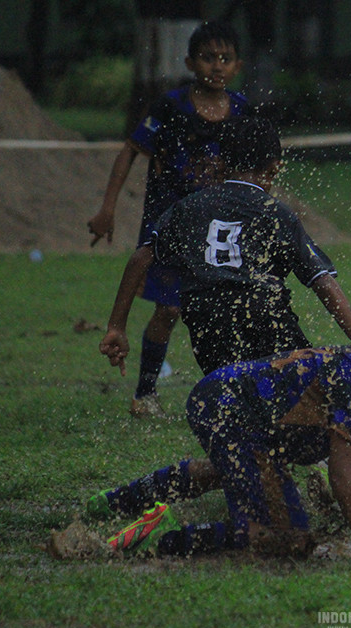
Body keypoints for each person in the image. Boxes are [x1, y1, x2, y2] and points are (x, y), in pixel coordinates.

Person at [97, 113, 351, 504]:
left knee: (253, 419)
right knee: (333, 396)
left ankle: (137, 496)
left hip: (209, 332)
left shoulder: (190, 206)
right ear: (275, 167)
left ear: (221, 163)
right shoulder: (275, 212)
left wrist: (116, 326)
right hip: (265, 321)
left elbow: (141, 258)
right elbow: (323, 283)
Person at [100, 318, 351, 561]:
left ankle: (116, 502)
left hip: (236, 411)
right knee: (290, 538)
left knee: (233, 472)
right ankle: (169, 533)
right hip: (229, 412)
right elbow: (340, 476)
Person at [87, 19, 248, 418]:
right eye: (208, 58)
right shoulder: (170, 106)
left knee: (224, 308)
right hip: (168, 222)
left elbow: (252, 166)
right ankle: (146, 394)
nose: (217, 66)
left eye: (225, 59)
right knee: (170, 309)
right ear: (191, 62)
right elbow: (130, 150)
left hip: (217, 227)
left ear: (237, 66)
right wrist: (107, 208)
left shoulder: (242, 111)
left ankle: (230, 395)